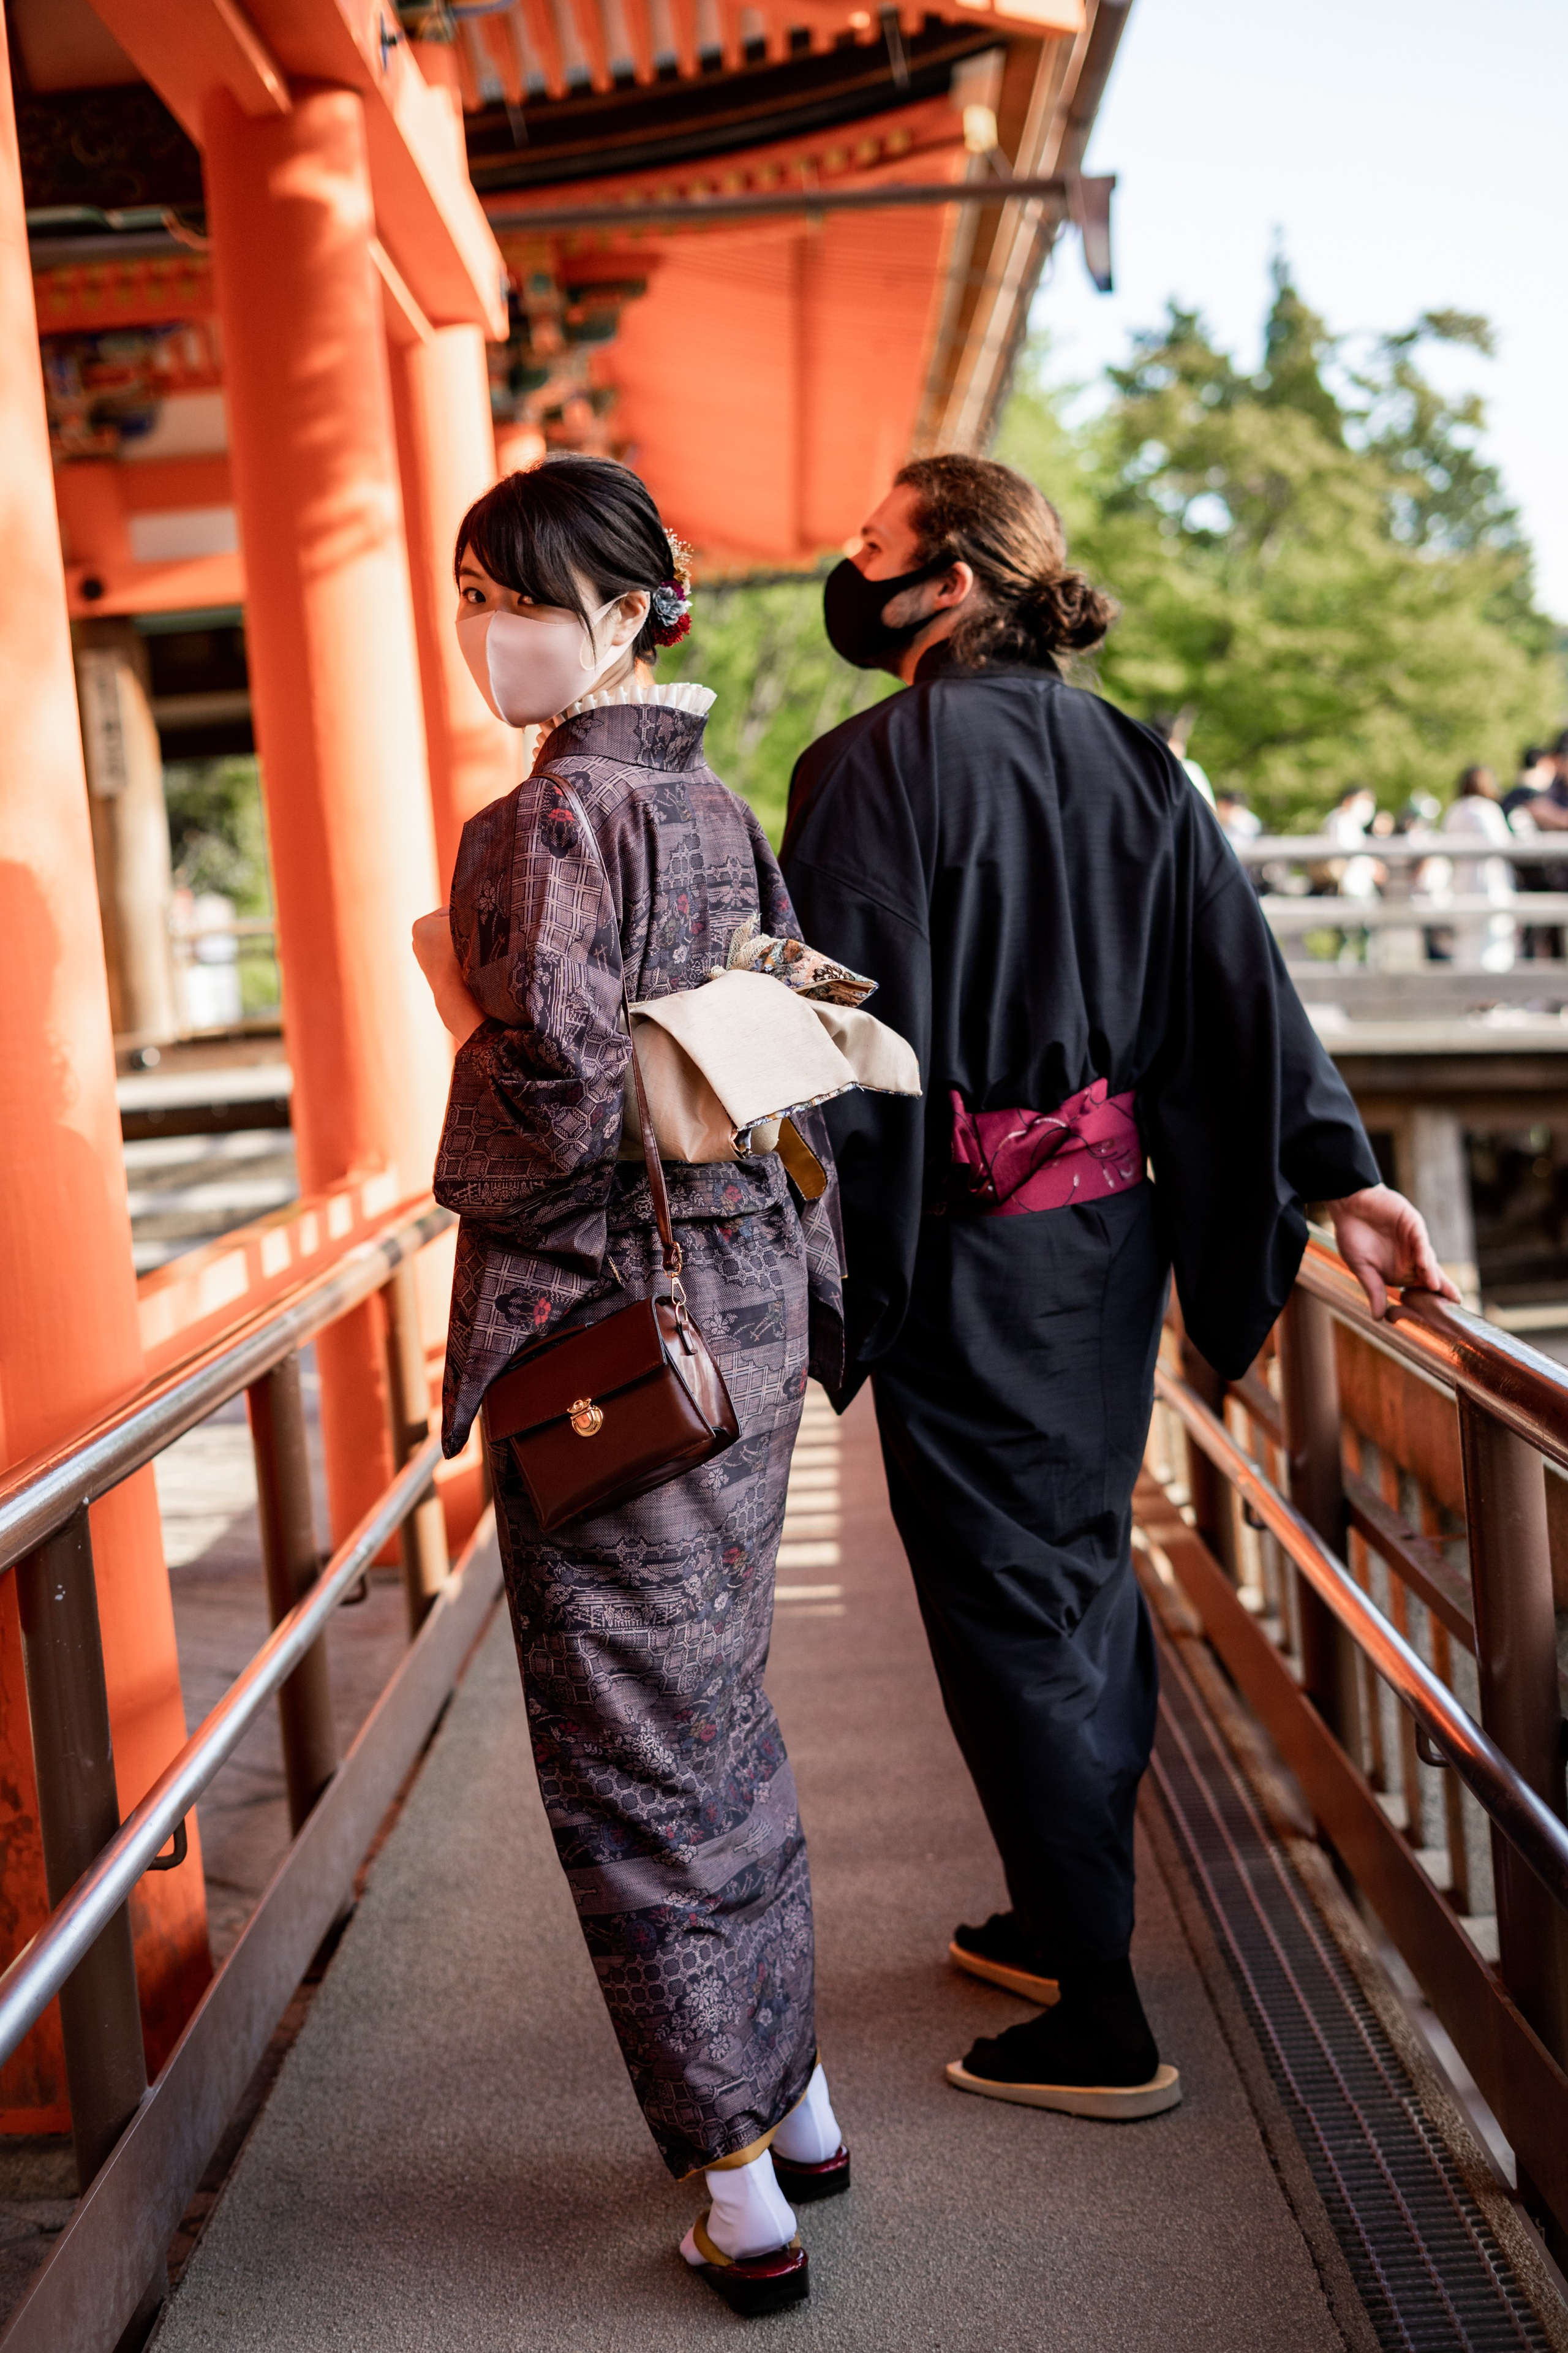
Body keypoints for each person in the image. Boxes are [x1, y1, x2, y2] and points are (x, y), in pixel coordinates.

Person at [780, 453, 1456, 2123]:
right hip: (1105, 1239)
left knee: (1005, 1597)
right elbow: (1241, 985)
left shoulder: (868, 766)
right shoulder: (1140, 760)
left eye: (875, 549)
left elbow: (846, 1047)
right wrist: (1338, 1179)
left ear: (944, 585)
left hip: (969, 1250)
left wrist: (816, 1267)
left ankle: (1100, 2013)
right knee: (1072, 1572)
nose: (847, 571)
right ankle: (1049, 1909)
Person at [410, 456, 850, 2316]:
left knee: (629, 1748)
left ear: (610, 612)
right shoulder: (713, 801)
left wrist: (460, 1025)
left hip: (605, 1338)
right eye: (462, 594)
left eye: (501, 594)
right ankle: (794, 2087)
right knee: (716, 1711)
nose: (479, 630)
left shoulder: (545, 820)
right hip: (736, 1302)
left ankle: (737, 2177)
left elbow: (558, 1099)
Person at [1436, 765, 1516, 974]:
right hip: (1490, 884)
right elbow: (1503, 844)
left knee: (1468, 945)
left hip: (1462, 885)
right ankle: (1490, 997)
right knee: (1492, 944)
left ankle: (1471, 995)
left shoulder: (1455, 811)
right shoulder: (1486, 810)